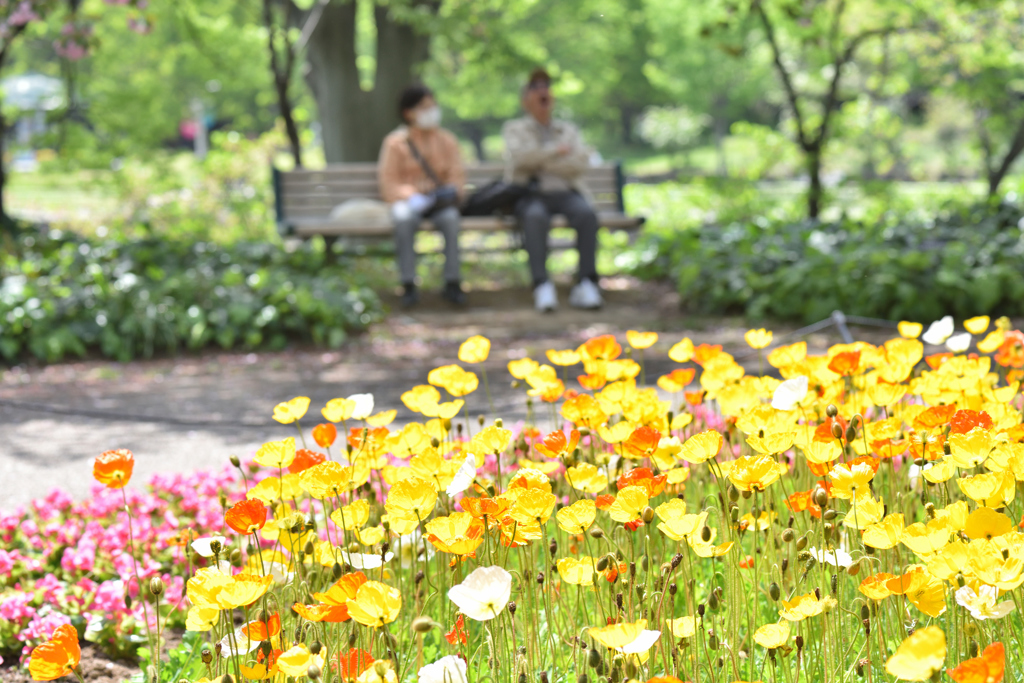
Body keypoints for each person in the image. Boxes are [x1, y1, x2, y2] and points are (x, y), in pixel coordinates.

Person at [502, 68, 602, 312]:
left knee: (587, 215)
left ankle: (586, 281)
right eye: (535, 88)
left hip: (567, 192)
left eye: (546, 86)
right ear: (525, 100)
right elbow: (519, 160)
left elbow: (580, 163)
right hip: (531, 194)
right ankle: (542, 284)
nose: (542, 91)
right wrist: (556, 152)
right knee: (534, 218)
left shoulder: (568, 129)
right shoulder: (514, 129)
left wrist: (540, 159)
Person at [378, 84, 466, 307]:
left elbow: (457, 177)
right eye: (425, 107)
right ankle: (408, 285)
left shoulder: (447, 140)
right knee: (403, 219)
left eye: (433, 106)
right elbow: (389, 182)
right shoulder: (395, 143)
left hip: (440, 203)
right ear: (409, 112)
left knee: (451, 219)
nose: (433, 111)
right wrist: (412, 195)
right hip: (408, 203)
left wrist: (449, 191)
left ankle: (452, 283)